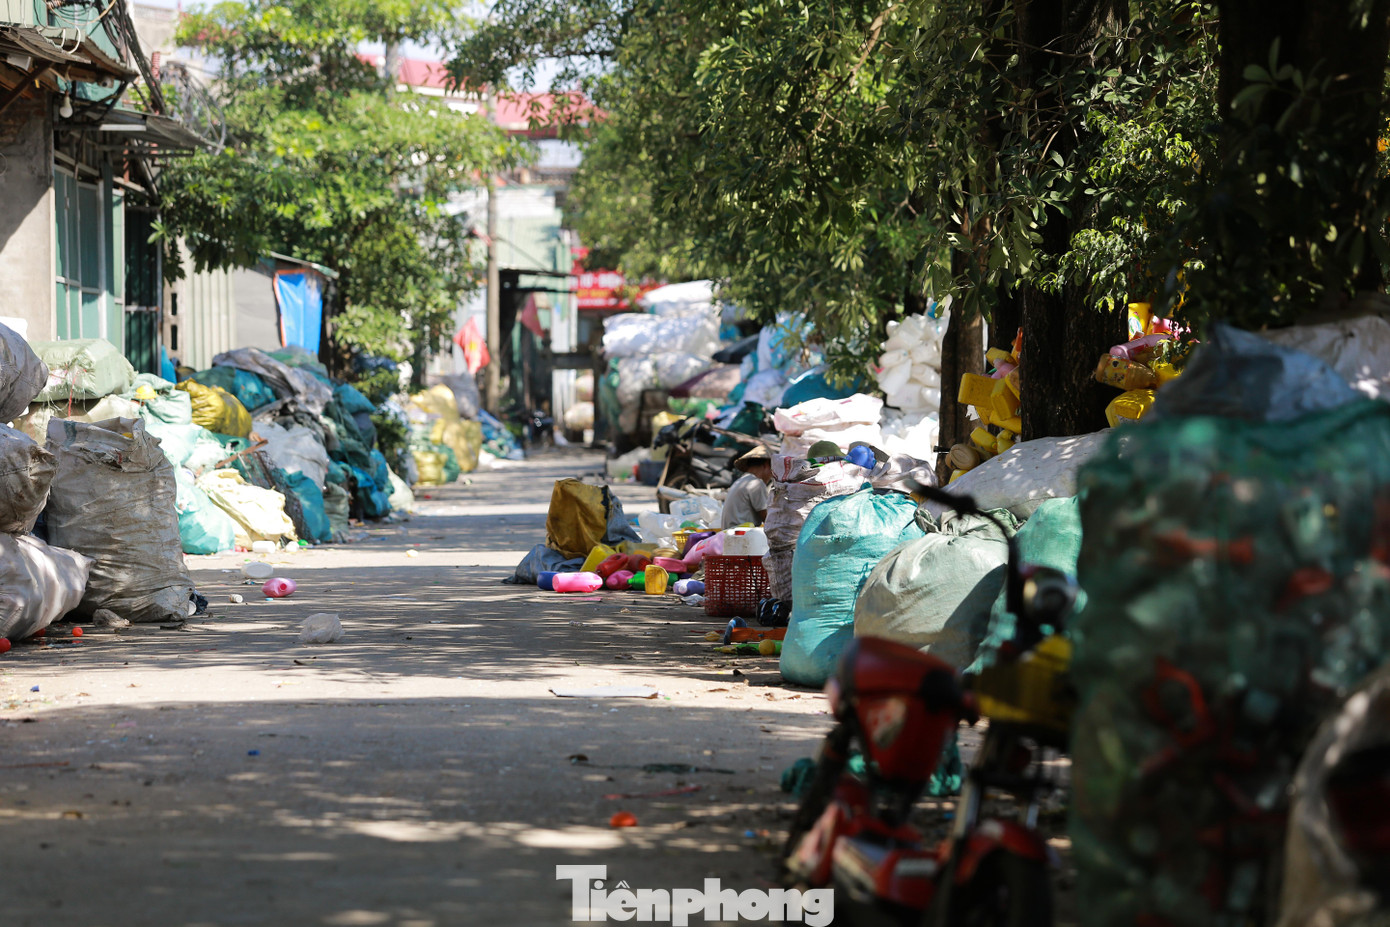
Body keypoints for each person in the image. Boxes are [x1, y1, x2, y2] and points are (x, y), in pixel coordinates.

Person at [721, 445, 773, 528]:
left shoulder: (741, 480)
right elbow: (768, 519)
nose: (771, 475)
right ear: (766, 465)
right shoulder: (756, 483)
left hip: (729, 533)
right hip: (742, 535)